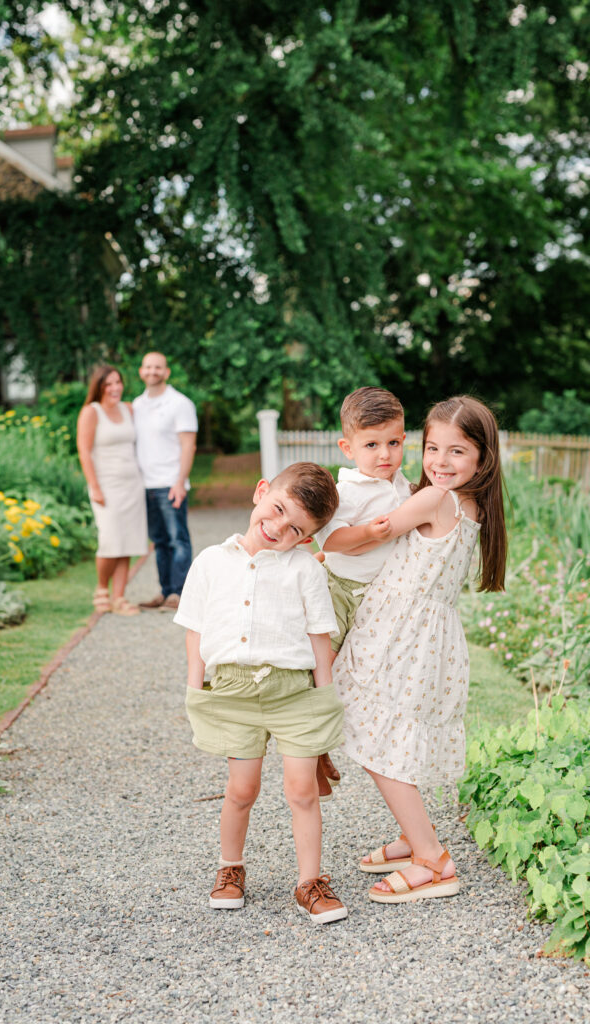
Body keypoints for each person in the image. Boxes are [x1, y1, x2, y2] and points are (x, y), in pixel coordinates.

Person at [334, 395, 507, 903]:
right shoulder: (467, 503)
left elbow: (376, 534)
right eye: (433, 448)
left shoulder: (435, 499)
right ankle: (414, 838)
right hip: (422, 634)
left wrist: (321, 540)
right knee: (384, 736)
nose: (440, 462)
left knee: (377, 740)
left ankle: (432, 859)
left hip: (401, 634)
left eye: (457, 452)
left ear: (482, 458)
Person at [173, 463, 349, 924]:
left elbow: (319, 638)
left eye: (295, 529)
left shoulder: (304, 572)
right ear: (261, 492)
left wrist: (324, 698)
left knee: (302, 791)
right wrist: (197, 686)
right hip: (232, 691)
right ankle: (231, 868)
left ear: (308, 539)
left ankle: (310, 881)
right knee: (241, 788)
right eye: (276, 510)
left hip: (294, 693)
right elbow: (195, 629)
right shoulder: (210, 562)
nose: (277, 529)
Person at [314, 386, 412, 800]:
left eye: (393, 442)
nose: (384, 454)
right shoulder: (349, 490)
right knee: (323, 670)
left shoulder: (402, 485)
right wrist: (367, 533)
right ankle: (313, 749)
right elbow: (330, 540)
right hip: (341, 591)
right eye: (371, 445)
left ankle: (326, 744)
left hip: (379, 597)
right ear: (348, 447)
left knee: (357, 680)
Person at [76, 365, 148, 616]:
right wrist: (94, 486)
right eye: (109, 384)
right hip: (107, 485)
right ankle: (100, 589)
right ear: (99, 387)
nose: (115, 388)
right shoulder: (91, 412)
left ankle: (119, 597)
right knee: (109, 540)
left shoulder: (128, 409)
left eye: (118, 382)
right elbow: (84, 451)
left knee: (127, 542)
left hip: (132, 484)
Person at [132, 352, 197, 611]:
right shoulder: (137, 405)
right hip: (145, 485)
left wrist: (180, 481)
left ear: (166, 372)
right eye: (148, 367)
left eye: (157, 367)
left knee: (177, 539)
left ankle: (179, 594)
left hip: (171, 483)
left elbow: (188, 445)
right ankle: (165, 591)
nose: (152, 371)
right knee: (159, 542)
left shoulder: (180, 404)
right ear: (141, 371)